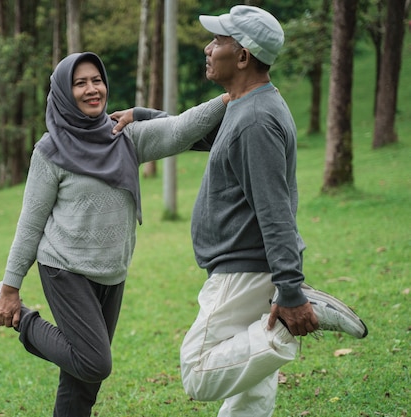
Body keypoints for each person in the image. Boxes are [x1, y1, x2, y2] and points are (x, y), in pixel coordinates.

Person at [116, 5, 368, 417]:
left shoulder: (255, 120)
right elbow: (196, 135)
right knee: (250, 394)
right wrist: (143, 117)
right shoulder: (245, 107)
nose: (207, 48)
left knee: (197, 372)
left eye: (218, 41)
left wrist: (289, 292)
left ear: (244, 56)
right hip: (250, 268)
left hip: (243, 270)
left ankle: (290, 325)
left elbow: (276, 213)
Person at [0, 51, 228, 417]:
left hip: (112, 271)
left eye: (97, 80)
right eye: (80, 82)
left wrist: (232, 95)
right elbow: (30, 222)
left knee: (82, 384)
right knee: (93, 363)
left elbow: (183, 129)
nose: (92, 90)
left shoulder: (125, 137)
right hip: (64, 269)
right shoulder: (50, 150)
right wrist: (10, 288)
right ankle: (16, 317)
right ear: (62, 92)